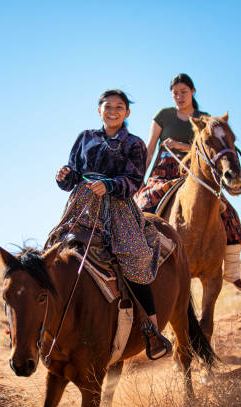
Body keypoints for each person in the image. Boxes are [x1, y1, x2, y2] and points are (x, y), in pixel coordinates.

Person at [55, 89, 172, 359]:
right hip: (81, 206)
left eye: (119, 107)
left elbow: (134, 181)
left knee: (136, 257)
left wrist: (109, 185)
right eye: (108, 106)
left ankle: (153, 332)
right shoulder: (85, 137)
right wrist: (65, 176)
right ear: (99, 110)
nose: (113, 111)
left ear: (127, 113)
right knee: (53, 254)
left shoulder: (134, 144)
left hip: (117, 208)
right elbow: (73, 175)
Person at [134, 74, 241, 292]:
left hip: (196, 175)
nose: (179, 96)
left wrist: (180, 144)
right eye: (175, 93)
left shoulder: (205, 119)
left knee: (230, 214)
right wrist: (138, 178)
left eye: (183, 92)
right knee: (142, 206)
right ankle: (140, 264)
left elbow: (211, 149)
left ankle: (233, 272)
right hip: (164, 172)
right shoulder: (164, 115)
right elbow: (150, 148)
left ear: (193, 92)